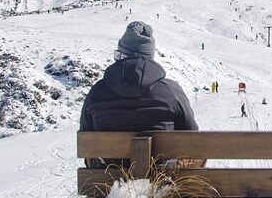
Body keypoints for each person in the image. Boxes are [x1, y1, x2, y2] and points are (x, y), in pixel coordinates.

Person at [80, 21, 201, 171]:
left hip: (108, 182)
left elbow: (86, 139)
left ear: (121, 55)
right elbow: (192, 136)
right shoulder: (171, 91)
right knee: (199, 152)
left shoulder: (97, 92)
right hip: (162, 180)